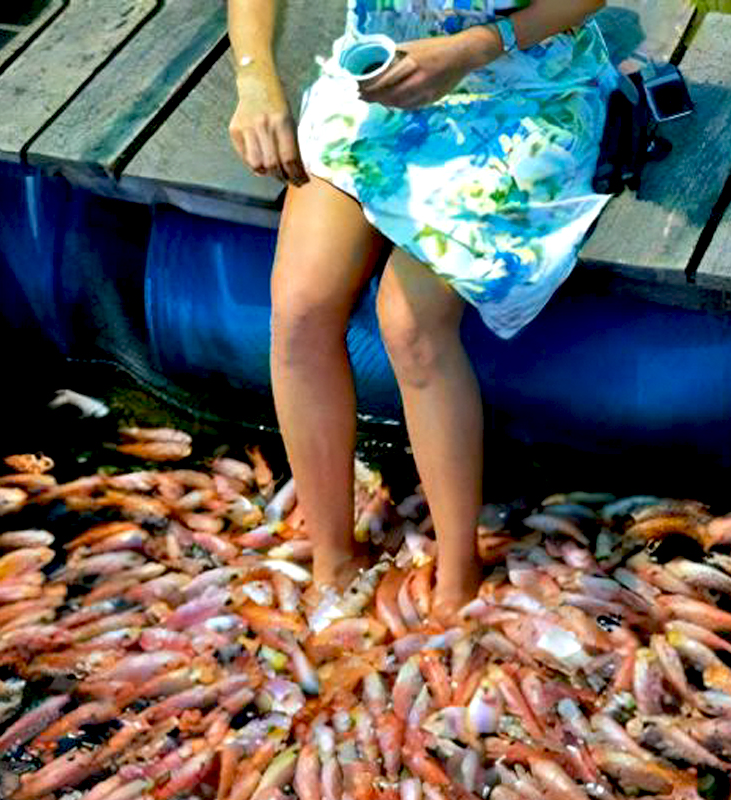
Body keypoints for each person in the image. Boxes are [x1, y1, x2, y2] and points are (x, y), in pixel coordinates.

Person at [227, 0, 618, 624]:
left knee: (408, 323)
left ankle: (457, 580)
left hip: (523, 91)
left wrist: (471, 48)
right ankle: (333, 560)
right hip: (374, 88)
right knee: (300, 309)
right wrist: (255, 79)